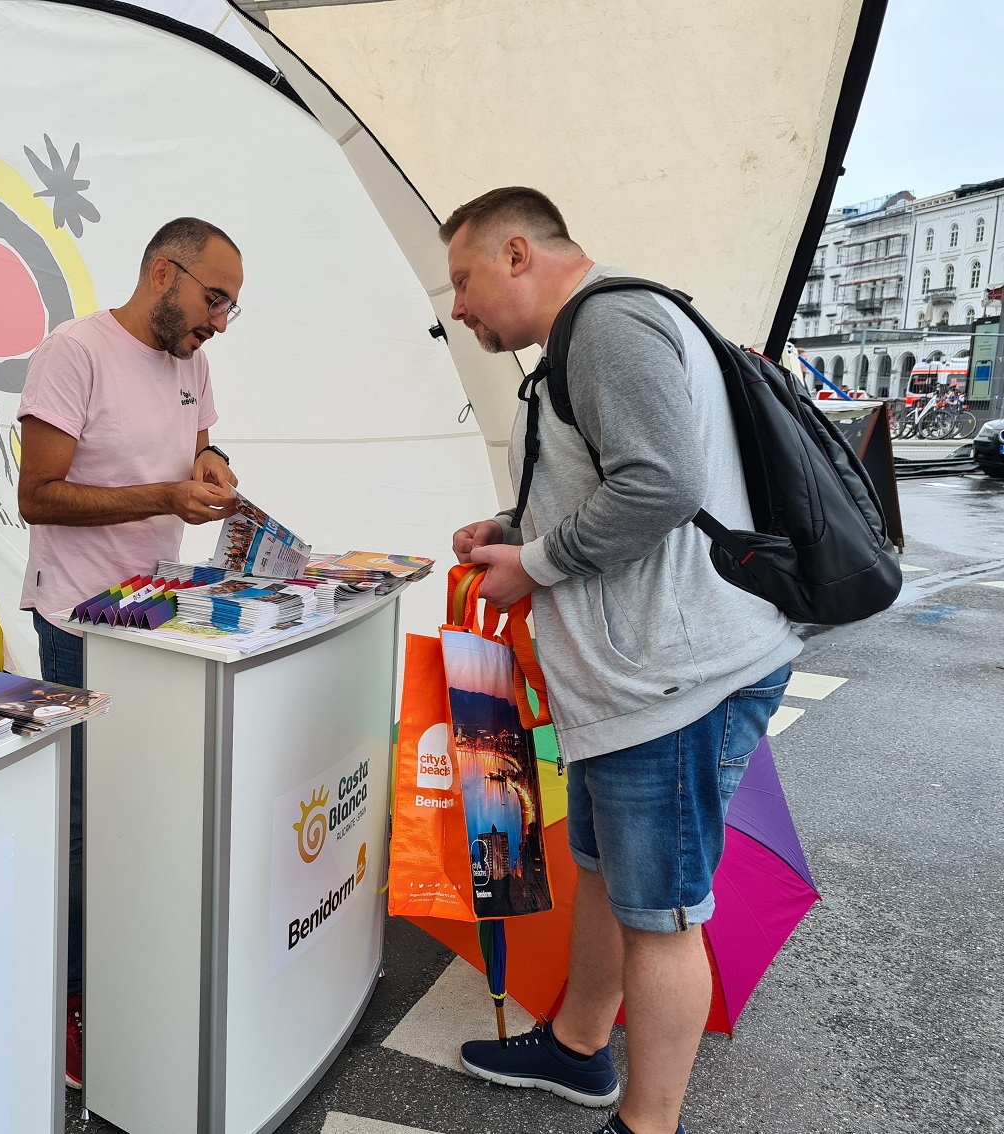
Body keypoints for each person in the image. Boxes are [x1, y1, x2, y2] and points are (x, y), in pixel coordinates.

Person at [442, 187, 801, 1134]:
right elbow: (609, 480)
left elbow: (663, 483)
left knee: (662, 916)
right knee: (606, 879)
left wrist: (535, 565)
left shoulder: (605, 324)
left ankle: (648, 1124)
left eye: (464, 279)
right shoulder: (587, 337)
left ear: (517, 253)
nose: (459, 306)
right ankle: (577, 1047)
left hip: (671, 684)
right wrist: (516, 528)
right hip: (634, 682)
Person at [16, 216, 242, 1089]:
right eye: (213, 299)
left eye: (229, 308)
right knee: (84, 818)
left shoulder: (191, 359)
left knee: (142, 805)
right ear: (162, 274)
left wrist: (211, 464)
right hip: (78, 626)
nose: (218, 321)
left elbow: (199, 442)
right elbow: (38, 496)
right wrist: (165, 497)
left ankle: (130, 969)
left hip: (155, 618)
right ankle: (72, 1003)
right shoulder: (73, 353)